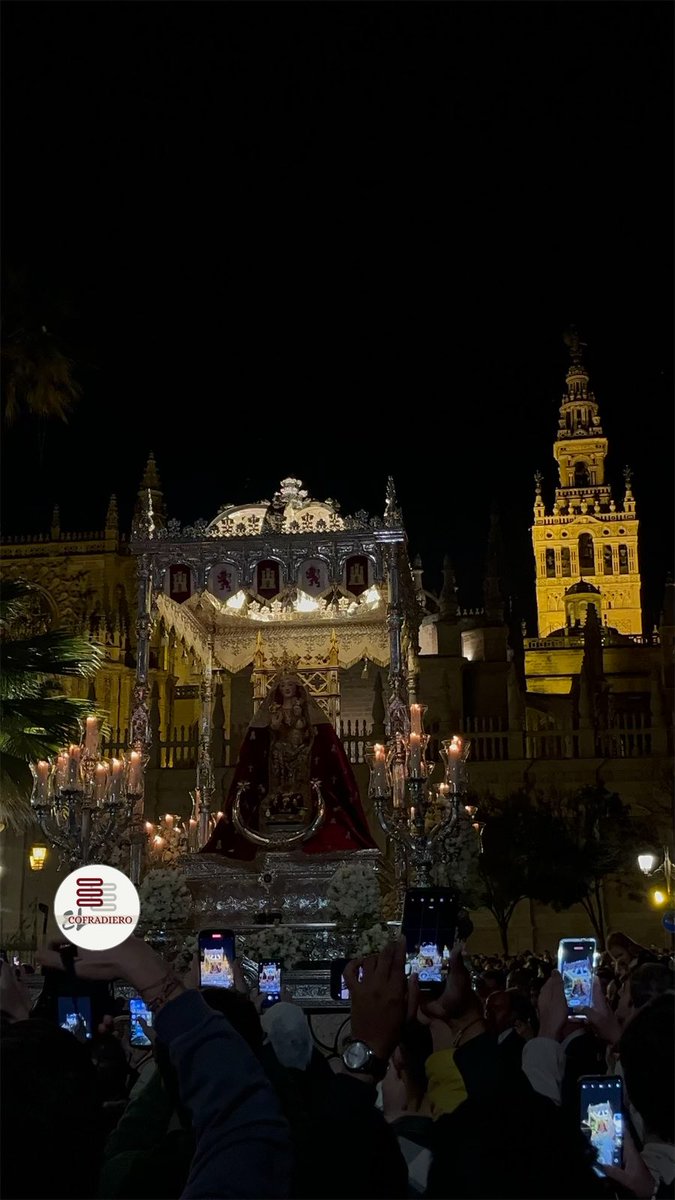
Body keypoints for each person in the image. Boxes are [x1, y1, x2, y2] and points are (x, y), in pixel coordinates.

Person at [35, 936, 292, 1199]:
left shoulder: (128, 1173)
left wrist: (165, 1059)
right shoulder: (278, 1154)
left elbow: (126, 1141)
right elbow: (242, 1117)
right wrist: (152, 975)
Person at [202, 672, 375, 860]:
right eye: (283, 686)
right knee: (280, 774)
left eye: (290, 685)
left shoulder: (303, 709)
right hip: (279, 753)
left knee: (298, 777)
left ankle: (299, 802)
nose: (286, 689)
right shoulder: (275, 709)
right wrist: (276, 721)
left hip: (301, 752)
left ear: (297, 689)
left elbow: (309, 730)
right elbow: (271, 732)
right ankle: (280, 799)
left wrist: (300, 719)